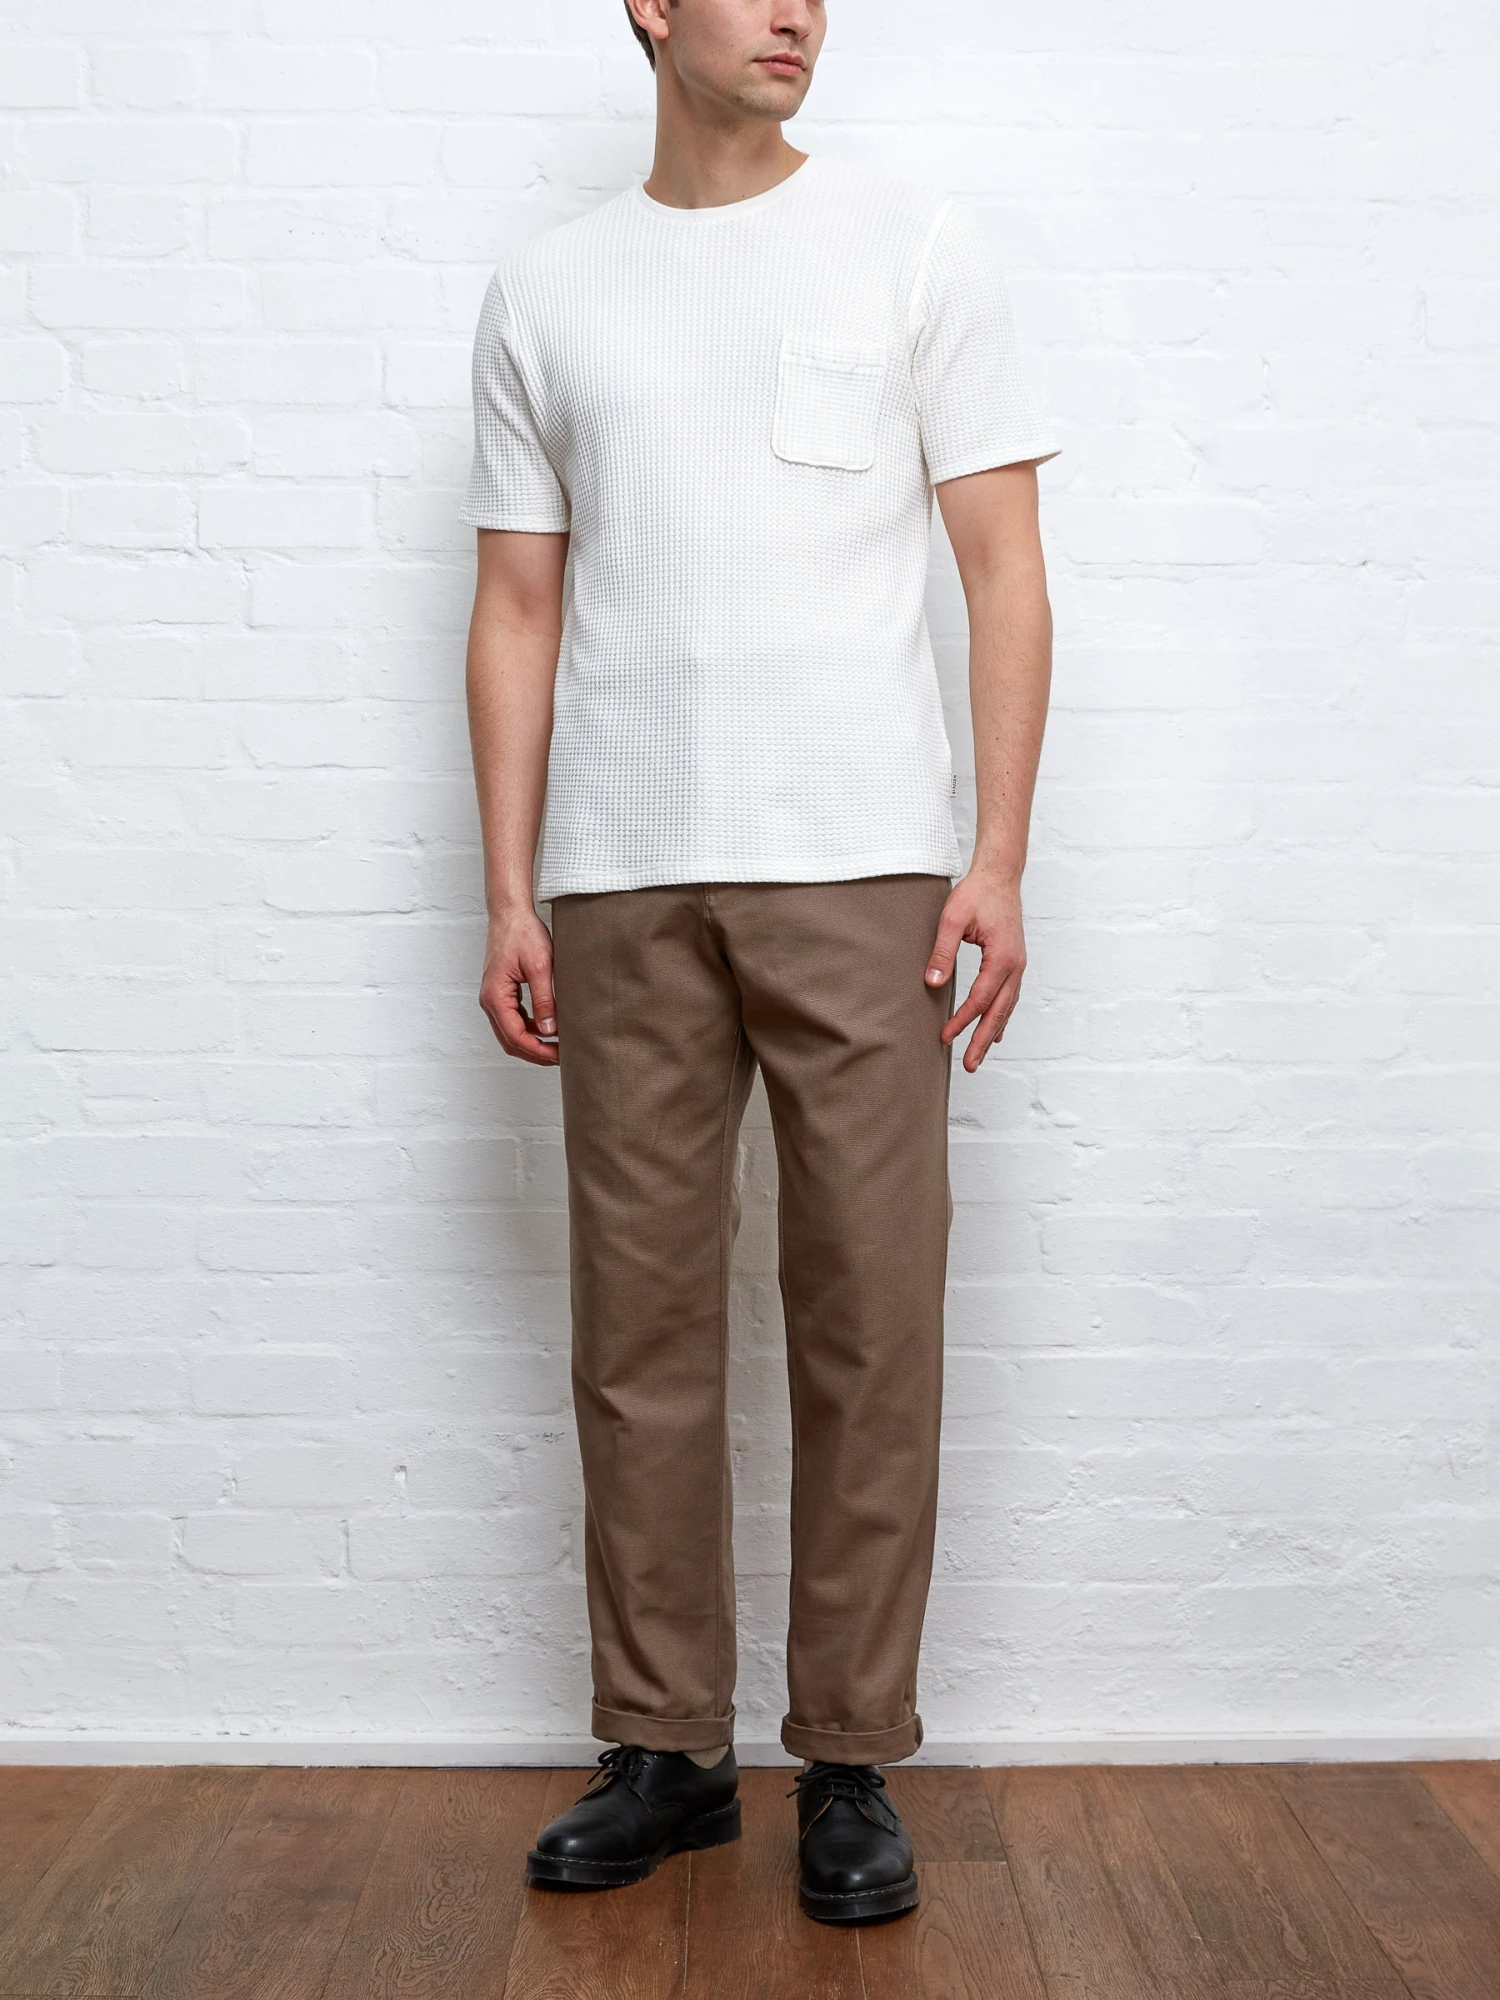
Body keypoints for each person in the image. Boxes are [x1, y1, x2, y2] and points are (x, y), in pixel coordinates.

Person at [460, 0, 1059, 1925]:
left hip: (866, 864)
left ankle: (853, 1756)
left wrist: (996, 857)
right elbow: (518, 600)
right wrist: (510, 890)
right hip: (622, 871)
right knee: (636, 1330)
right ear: (650, 5)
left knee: (870, 1314)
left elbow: (1002, 566)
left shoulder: (913, 244)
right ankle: (667, 1750)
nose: (799, 10)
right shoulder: (549, 289)